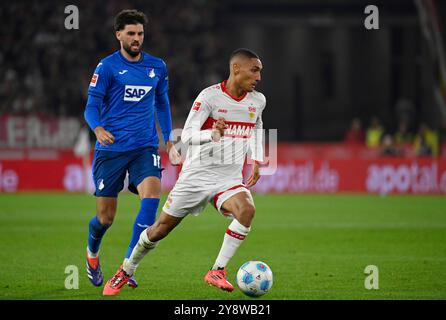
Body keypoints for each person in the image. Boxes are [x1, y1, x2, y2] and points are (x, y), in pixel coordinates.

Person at [102, 48, 266, 296]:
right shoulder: (210, 97)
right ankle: (126, 270)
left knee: (247, 210)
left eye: (260, 72)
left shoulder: (258, 100)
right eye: (254, 70)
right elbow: (186, 135)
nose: (259, 77)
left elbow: (257, 126)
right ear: (236, 69)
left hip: (229, 179)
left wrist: (256, 159)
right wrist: (212, 134)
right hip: (196, 177)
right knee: (159, 230)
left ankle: (217, 270)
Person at [83, 9, 181, 289]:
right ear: (118, 35)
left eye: (140, 33)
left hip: (144, 146)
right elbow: (91, 106)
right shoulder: (106, 68)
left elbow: (161, 103)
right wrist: (98, 129)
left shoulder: (157, 66)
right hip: (111, 149)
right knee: (105, 218)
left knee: (152, 197)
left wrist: (169, 140)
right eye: (131, 34)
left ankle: (128, 266)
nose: (137, 38)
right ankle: (92, 253)